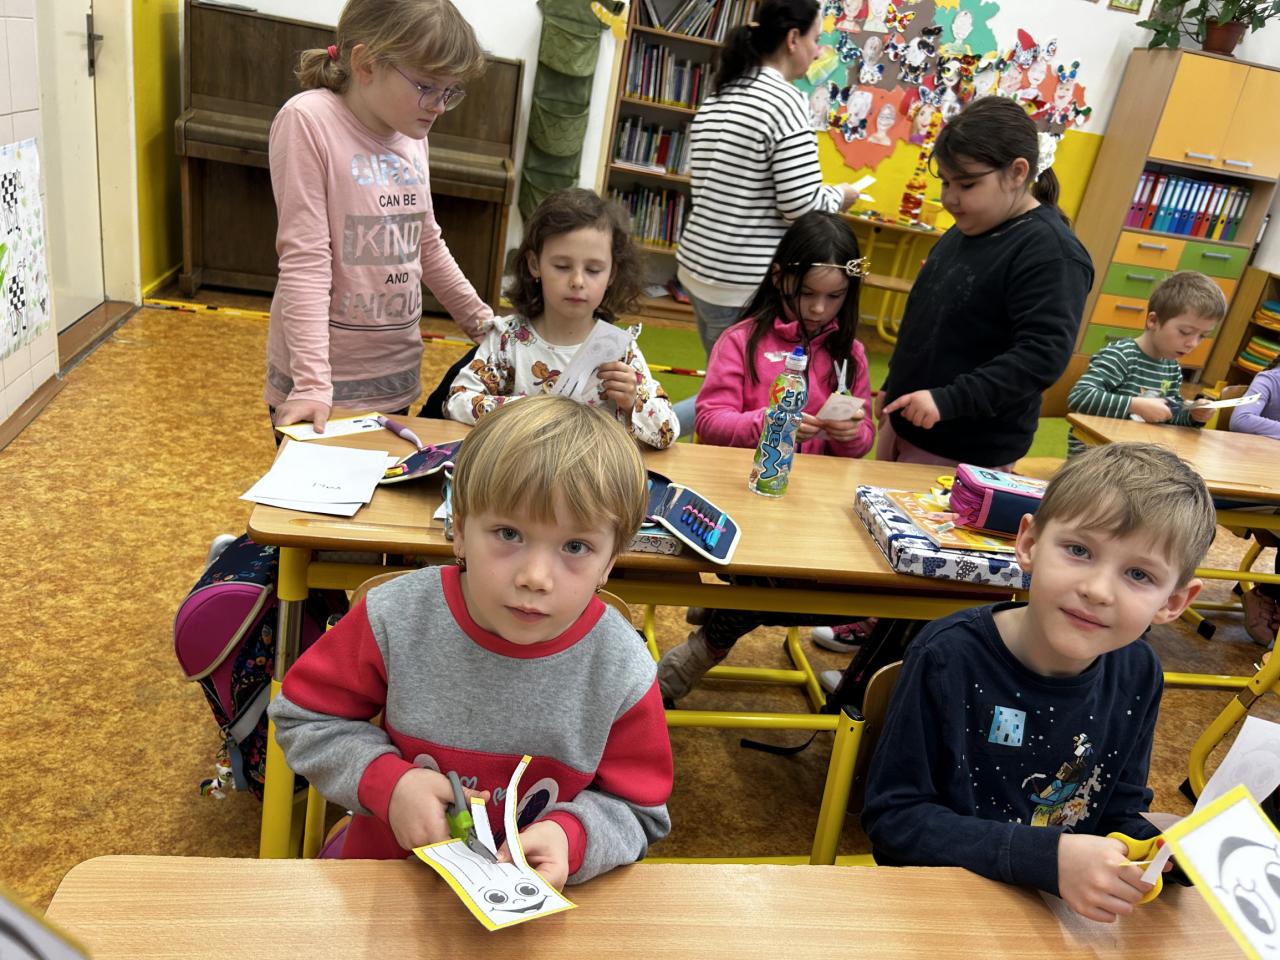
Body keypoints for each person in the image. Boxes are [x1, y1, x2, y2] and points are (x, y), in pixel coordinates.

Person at [268, 395, 674, 887]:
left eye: (576, 546)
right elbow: (305, 717)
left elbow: (639, 811)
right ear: (459, 530)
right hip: (392, 885)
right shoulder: (397, 617)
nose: (535, 577)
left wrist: (574, 837)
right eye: (508, 533)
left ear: (609, 562)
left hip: (532, 908)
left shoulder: (621, 667)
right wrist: (388, 783)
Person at [863, 442, 1216, 922]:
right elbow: (895, 821)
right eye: (1079, 550)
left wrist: (1159, 849)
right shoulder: (948, 656)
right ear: (1028, 544)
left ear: (1173, 602)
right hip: (939, 909)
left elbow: (1115, 809)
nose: (1097, 590)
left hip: (1053, 916)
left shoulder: (1138, 672)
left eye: (1138, 574)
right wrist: (1046, 858)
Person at [656, 212, 875, 702]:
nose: (818, 308)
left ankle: (724, 611)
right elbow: (710, 421)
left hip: (806, 515)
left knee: (828, 586)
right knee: (771, 580)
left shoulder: (851, 354)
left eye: (834, 297)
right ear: (780, 278)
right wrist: (770, 422)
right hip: (738, 506)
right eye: (807, 293)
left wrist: (849, 432)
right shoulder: (743, 340)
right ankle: (708, 645)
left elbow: (863, 443)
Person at [265, 0, 494, 436]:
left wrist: (485, 325)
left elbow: (426, 244)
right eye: (427, 86)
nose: (439, 106)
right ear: (366, 63)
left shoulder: (411, 132)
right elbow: (305, 261)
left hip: (392, 375)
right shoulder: (308, 120)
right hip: (320, 384)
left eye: (450, 91)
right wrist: (312, 383)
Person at [674, 0, 861, 431]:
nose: (818, 50)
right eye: (816, 38)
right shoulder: (784, 102)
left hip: (700, 268)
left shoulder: (722, 94)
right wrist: (841, 195)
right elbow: (801, 206)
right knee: (735, 395)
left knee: (726, 380)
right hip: (744, 279)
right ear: (793, 39)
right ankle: (645, 427)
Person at [879, 96, 1093, 470]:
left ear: (1017, 172)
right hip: (908, 423)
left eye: (967, 184)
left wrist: (949, 400)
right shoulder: (970, 226)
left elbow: (1042, 356)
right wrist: (894, 382)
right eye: (946, 183)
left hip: (964, 448)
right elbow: (924, 318)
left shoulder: (1052, 253)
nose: (950, 198)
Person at [445, 188, 679, 449]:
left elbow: (667, 431)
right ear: (535, 264)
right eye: (562, 266)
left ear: (612, 274)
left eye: (593, 270)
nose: (577, 281)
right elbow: (456, 401)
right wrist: (529, 410)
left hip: (593, 472)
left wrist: (633, 401)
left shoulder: (619, 351)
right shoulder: (507, 340)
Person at [1066, 271, 1225, 456]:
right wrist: (1135, 405)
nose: (1193, 343)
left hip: (1136, 456)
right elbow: (1080, 396)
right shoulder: (1121, 356)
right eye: (1185, 332)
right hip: (1096, 458)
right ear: (1153, 321)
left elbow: (1169, 417)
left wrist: (1193, 415)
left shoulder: (1172, 368)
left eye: (1202, 336)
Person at [1230, 354, 1280, 647]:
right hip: (1256, 488)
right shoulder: (1270, 379)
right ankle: (1267, 594)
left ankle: (1270, 592)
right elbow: (1241, 419)